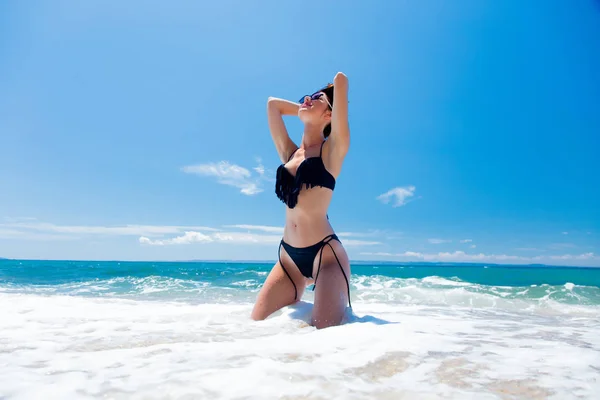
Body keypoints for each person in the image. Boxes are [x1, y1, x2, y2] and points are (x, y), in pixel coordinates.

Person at [251, 72, 351, 329]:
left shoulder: (333, 151)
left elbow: (341, 81)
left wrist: (324, 103)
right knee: (255, 325)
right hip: (288, 257)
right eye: (306, 97)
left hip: (326, 256)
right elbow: (273, 105)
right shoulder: (289, 151)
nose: (307, 98)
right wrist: (308, 108)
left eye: (316, 98)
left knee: (325, 335)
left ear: (330, 115)